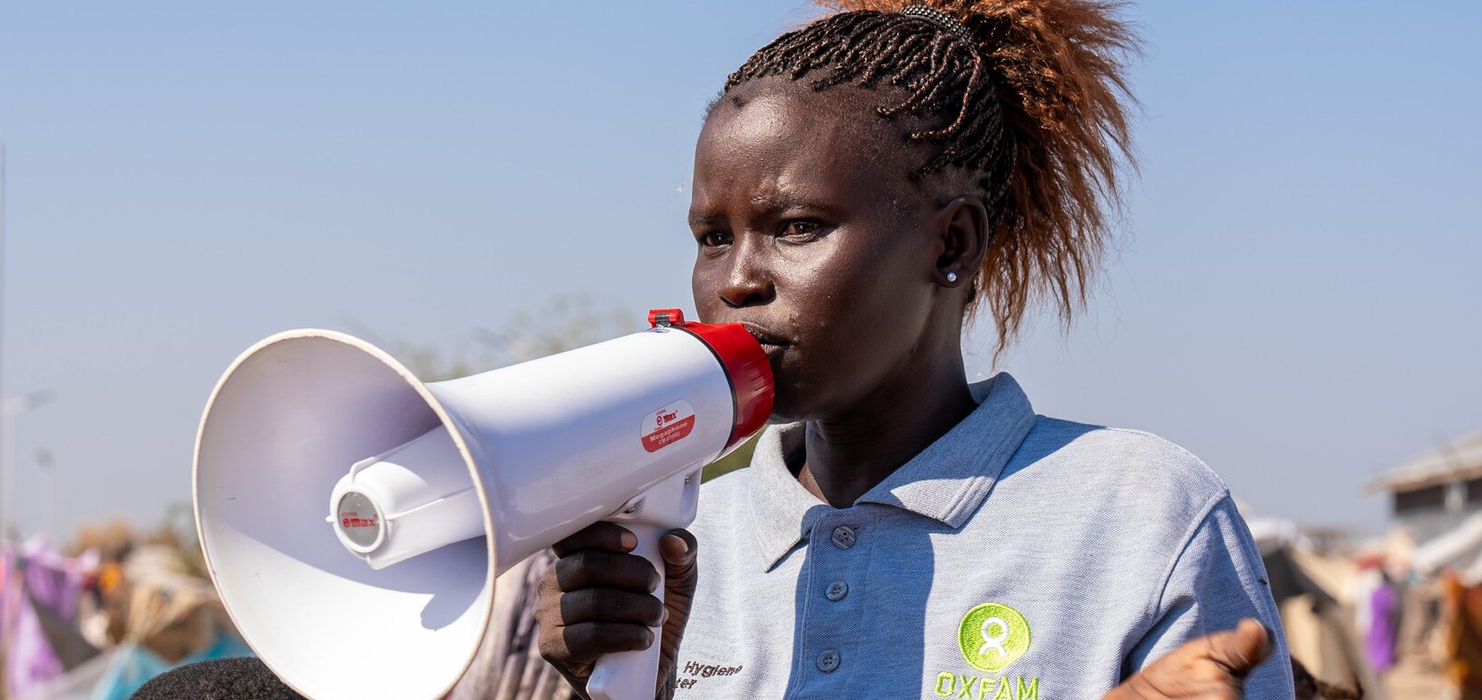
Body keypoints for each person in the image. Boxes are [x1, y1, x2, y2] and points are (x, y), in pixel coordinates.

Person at [534, 1, 1294, 698]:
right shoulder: (682, 547)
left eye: (796, 226)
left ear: (951, 243)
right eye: (712, 238)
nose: (735, 281)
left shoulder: (1141, 515)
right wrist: (615, 686)